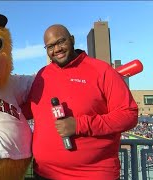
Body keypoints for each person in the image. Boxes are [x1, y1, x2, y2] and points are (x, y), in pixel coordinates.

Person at [21, 24, 138, 180]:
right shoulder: (43, 74)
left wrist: (79, 125)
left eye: (61, 42)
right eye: (50, 46)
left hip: (93, 175)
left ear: (72, 40)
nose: (56, 49)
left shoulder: (101, 70)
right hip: (44, 173)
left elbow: (128, 115)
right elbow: (29, 109)